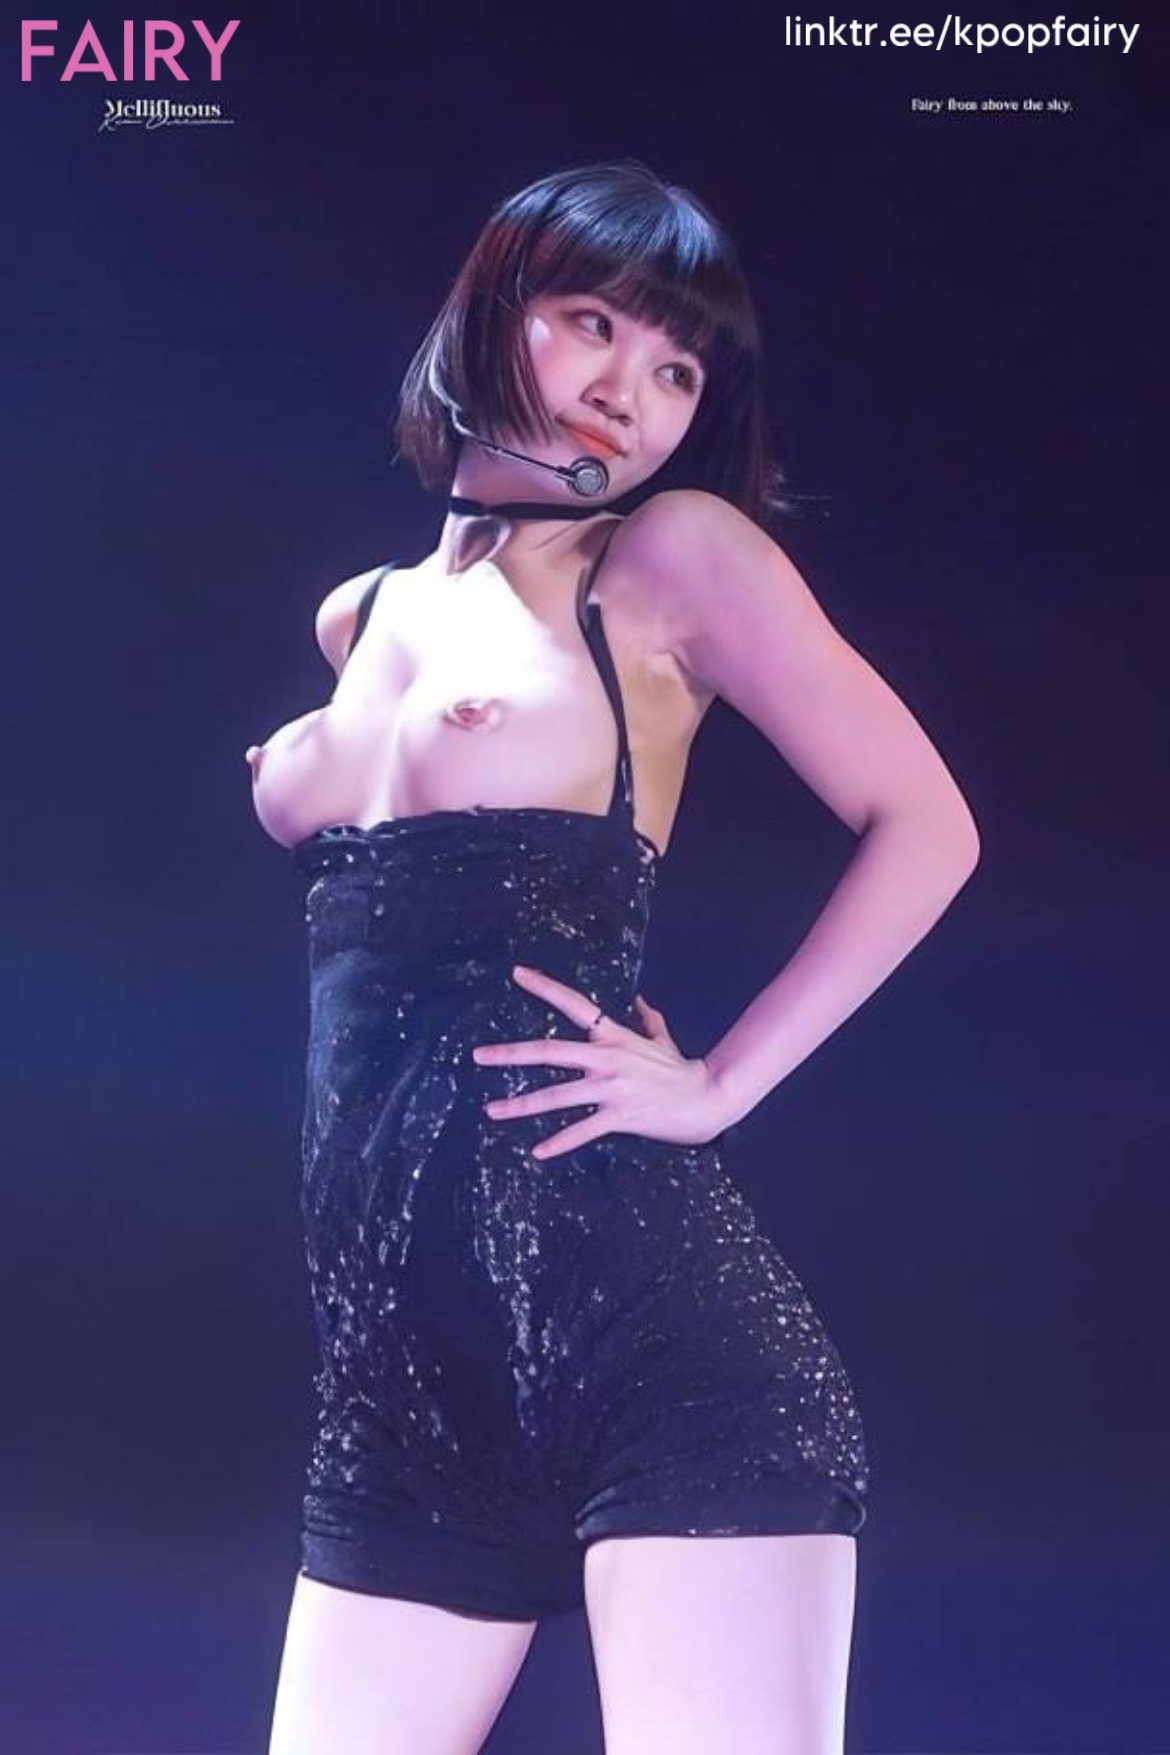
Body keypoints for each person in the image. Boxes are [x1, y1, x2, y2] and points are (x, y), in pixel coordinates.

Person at [249, 159, 980, 1755]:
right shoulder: (359, 617)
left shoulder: (664, 561)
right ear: (492, 307)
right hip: (399, 1396)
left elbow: (927, 823)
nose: (628, 394)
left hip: (657, 1353)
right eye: (593, 323)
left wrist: (718, 1085)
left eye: (676, 371)